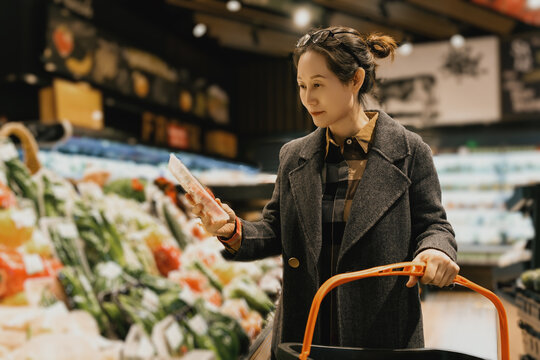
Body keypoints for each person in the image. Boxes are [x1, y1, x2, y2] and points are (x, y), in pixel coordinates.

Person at [188, 26, 459, 359]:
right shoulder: (294, 155)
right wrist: (232, 229)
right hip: (306, 330)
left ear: (355, 80)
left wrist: (436, 251)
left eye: (318, 84)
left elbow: (434, 224)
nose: (307, 98)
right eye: (301, 86)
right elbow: (275, 230)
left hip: (379, 332)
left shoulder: (410, 151)